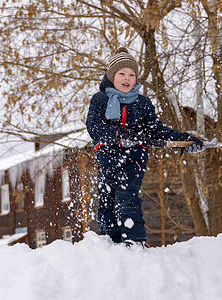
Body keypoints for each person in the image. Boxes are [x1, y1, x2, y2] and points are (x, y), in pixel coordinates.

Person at [86, 47, 204, 247]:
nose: (127, 78)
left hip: (133, 161)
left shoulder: (142, 104)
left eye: (131, 74)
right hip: (107, 161)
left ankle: (134, 244)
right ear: (111, 76)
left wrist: (185, 139)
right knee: (106, 203)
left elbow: (156, 132)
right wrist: (117, 134)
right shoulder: (100, 100)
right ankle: (110, 247)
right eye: (121, 73)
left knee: (126, 198)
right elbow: (94, 126)